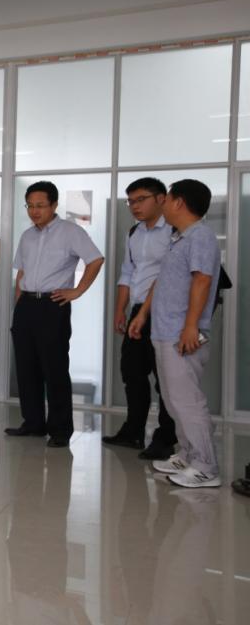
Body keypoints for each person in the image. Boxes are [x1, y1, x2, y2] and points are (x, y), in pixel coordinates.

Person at [129, 179, 222, 488]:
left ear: (179, 202)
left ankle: (206, 467)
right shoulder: (178, 238)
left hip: (182, 333)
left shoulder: (201, 236)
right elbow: (163, 280)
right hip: (164, 330)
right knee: (172, 400)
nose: (164, 204)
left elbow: (202, 280)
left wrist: (191, 326)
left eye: (167, 199)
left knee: (187, 401)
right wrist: (143, 314)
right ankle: (188, 455)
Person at [6, 181, 104, 448]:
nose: (34, 211)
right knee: (26, 367)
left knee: (55, 368)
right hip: (26, 305)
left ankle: (60, 429)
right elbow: (22, 272)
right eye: (30, 206)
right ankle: (33, 423)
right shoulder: (27, 236)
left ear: (54, 205)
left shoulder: (71, 231)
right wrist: (18, 305)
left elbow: (95, 259)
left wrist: (77, 291)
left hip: (52, 305)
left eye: (40, 205)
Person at [103, 177, 177, 459]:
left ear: (161, 199)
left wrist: (145, 311)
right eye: (131, 201)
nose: (135, 206)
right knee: (132, 371)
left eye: (141, 199)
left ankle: (165, 438)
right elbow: (128, 272)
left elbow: (168, 275)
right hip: (137, 310)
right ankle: (133, 431)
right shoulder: (134, 232)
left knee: (165, 377)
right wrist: (120, 310)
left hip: (165, 311)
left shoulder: (174, 230)